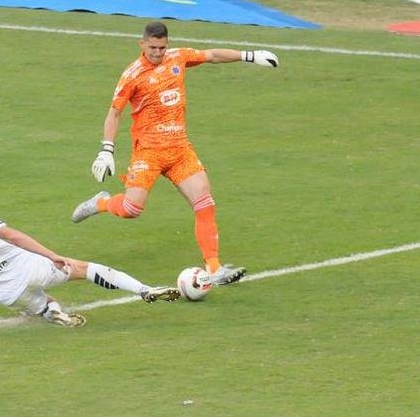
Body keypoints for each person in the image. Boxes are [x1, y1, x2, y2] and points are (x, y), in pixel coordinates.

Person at [70, 21, 280, 287]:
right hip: (149, 152)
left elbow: (212, 55)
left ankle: (214, 268)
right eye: (153, 47)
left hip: (180, 149)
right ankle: (100, 203)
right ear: (142, 44)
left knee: (204, 202)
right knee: (131, 209)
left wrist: (249, 56)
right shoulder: (132, 74)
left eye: (162, 47)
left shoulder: (177, 57)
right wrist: (106, 151)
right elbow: (115, 112)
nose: (158, 52)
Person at [0, 179, 179, 327]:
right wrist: (51, 255)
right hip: (31, 269)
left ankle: (54, 313)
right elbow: (13, 236)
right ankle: (144, 290)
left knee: (44, 304)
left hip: (6, 295)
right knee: (86, 269)